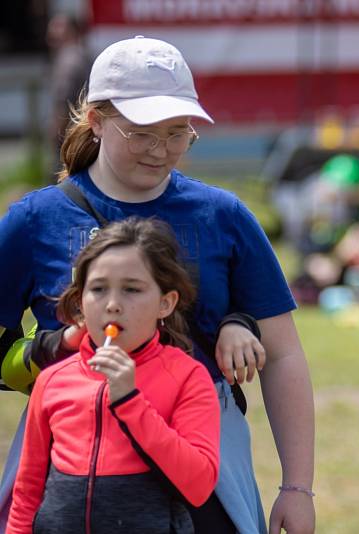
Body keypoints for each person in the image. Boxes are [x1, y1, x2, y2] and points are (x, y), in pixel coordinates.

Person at [0, 36, 315, 533]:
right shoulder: (34, 219)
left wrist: (297, 487)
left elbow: (283, 355)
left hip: (198, 454)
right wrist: (49, 350)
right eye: (141, 133)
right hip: (72, 460)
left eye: (177, 134)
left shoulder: (223, 215)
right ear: (96, 122)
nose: (161, 151)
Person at [7, 218, 220, 533]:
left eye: (132, 289)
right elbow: (28, 490)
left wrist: (130, 402)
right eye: (98, 289)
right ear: (80, 302)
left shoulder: (188, 377)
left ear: (165, 302)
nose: (113, 305)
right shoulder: (52, 380)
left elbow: (199, 484)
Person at [46, 13, 91, 181]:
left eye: (58, 30)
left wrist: (56, 130)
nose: (51, 36)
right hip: (85, 133)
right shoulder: (84, 55)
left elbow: (63, 98)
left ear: (72, 32)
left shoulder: (69, 60)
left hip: (69, 135)